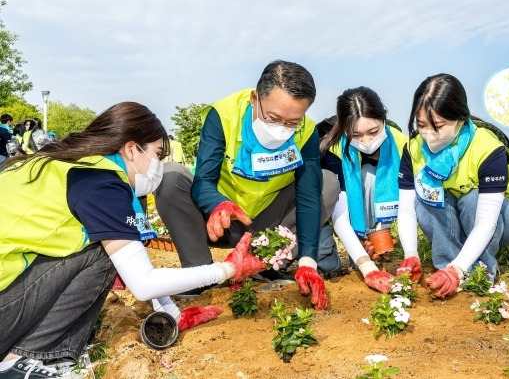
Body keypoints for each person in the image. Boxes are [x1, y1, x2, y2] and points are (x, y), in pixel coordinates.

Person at [0, 102, 264, 378]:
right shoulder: (100, 182)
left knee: (109, 248)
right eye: (157, 154)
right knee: (103, 254)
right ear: (130, 148)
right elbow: (143, 282)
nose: (159, 166)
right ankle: (19, 361)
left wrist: (172, 313)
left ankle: (43, 356)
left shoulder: (72, 166)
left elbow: (133, 260)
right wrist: (229, 269)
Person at [155, 60, 340, 309]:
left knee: (326, 183)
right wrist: (217, 203)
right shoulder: (223, 116)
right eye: (273, 118)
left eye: (292, 122)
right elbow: (203, 182)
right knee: (170, 175)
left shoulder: (305, 132)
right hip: (220, 221)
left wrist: (307, 261)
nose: (281, 130)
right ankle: (198, 274)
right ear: (255, 98)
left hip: (266, 224)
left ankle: (265, 266)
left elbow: (308, 196)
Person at [397, 74, 509, 298]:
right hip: (454, 217)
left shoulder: (487, 147)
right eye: (421, 125)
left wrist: (458, 269)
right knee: (427, 196)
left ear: (460, 120)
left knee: (472, 196)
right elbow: (406, 209)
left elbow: (486, 221)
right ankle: (446, 268)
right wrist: (411, 253)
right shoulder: (413, 148)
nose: (429, 134)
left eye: (439, 126)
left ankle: (479, 272)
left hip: (506, 219)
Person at [320, 87, 412, 293]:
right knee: (366, 175)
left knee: (371, 174)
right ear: (344, 128)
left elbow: (411, 198)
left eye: (373, 132)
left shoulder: (402, 144)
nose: (366, 141)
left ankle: (378, 241)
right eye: (356, 135)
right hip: (342, 214)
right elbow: (340, 215)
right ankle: (361, 246)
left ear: (384, 119)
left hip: (390, 210)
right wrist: (366, 266)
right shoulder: (332, 151)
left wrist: (408, 250)